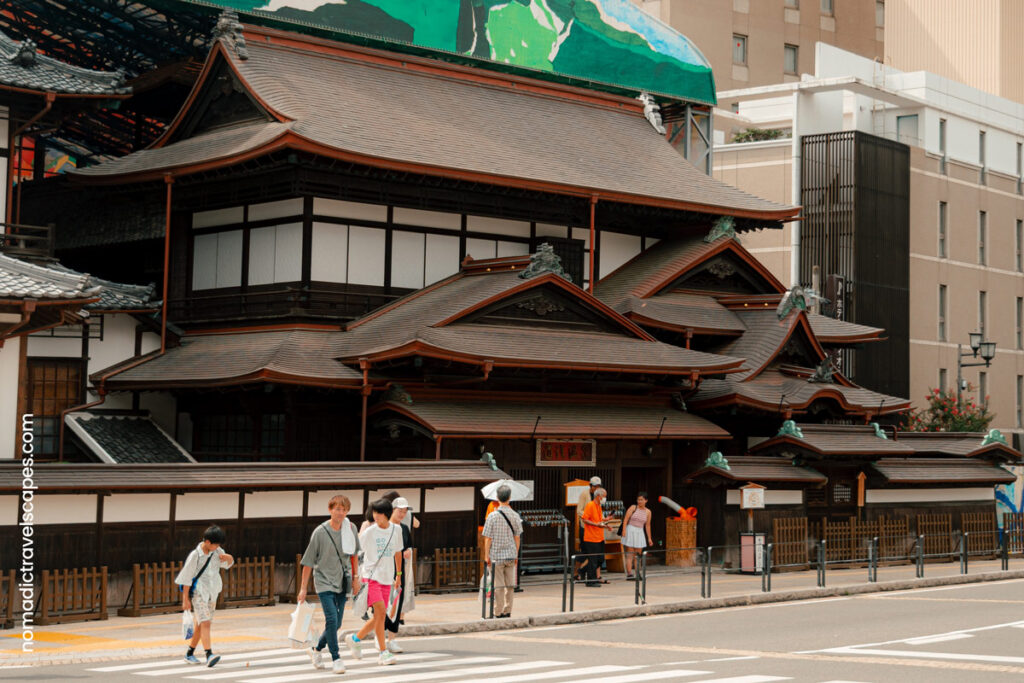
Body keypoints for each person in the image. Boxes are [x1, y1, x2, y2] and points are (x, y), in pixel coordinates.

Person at [298, 494, 360, 674]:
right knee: (331, 619)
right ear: (330, 510)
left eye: (344, 509)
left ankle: (316, 649)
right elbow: (308, 562)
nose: (340, 513)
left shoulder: (351, 528)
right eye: (337, 509)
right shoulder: (320, 532)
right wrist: (303, 588)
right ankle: (336, 658)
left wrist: (356, 578)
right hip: (324, 581)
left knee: (336, 623)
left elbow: (354, 555)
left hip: (343, 580)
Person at [346, 498, 405, 666]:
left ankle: (356, 638)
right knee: (379, 611)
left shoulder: (397, 530)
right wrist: (356, 577)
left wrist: (399, 575)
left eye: (378, 513)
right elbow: (355, 553)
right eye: (374, 512)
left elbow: (398, 552)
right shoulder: (369, 532)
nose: (375, 516)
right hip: (371, 577)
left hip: (388, 577)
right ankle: (383, 652)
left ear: (386, 514)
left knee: (380, 615)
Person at [176, 525, 234, 667]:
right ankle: (209, 654)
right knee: (206, 622)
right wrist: (185, 600)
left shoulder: (217, 551)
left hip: (212, 592)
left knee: (201, 623)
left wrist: (229, 557)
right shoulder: (195, 555)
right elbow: (186, 578)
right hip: (199, 592)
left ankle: (189, 653)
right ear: (207, 542)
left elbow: (227, 564)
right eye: (215, 544)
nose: (217, 547)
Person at [481, 485, 523, 618]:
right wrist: (516, 554)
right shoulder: (516, 516)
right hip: (511, 555)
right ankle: (507, 610)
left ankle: (497, 611)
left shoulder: (492, 516)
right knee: (510, 585)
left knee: (498, 585)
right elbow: (517, 537)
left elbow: (487, 539)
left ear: (497, 498)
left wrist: (486, 555)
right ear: (509, 498)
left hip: (496, 556)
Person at [383, 497, 415, 652]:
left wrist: (408, 551)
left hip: (399, 571)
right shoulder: (384, 527)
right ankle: (380, 637)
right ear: (392, 510)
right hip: (383, 572)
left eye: (404, 512)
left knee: (396, 603)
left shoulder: (404, 528)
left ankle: (392, 639)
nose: (402, 514)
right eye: (399, 511)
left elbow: (409, 545)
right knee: (382, 605)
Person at [580, 488, 614, 587]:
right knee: (593, 560)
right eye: (604, 496)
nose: (605, 498)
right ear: (598, 496)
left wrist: (606, 522)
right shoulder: (590, 505)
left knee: (600, 559)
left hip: (599, 537)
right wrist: (596, 525)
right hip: (591, 537)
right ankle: (590, 581)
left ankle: (583, 570)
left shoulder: (598, 506)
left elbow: (599, 520)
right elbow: (585, 520)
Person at [575, 476, 603, 580]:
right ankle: (577, 572)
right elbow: (579, 510)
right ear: (590, 486)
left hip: (595, 528)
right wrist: (589, 516)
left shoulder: (599, 496)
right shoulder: (584, 494)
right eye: (595, 486)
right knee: (585, 551)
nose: (596, 488)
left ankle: (584, 572)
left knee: (595, 553)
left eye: (598, 486)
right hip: (585, 526)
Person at [621, 492, 653, 579]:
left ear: (646, 500)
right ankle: (629, 574)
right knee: (630, 553)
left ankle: (638, 573)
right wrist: (624, 530)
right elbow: (626, 519)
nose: (639, 501)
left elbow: (647, 525)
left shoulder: (648, 512)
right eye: (638, 499)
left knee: (638, 554)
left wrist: (649, 538)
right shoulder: (633, 507)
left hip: (640, 532)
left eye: (641, 500)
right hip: (630, 530)